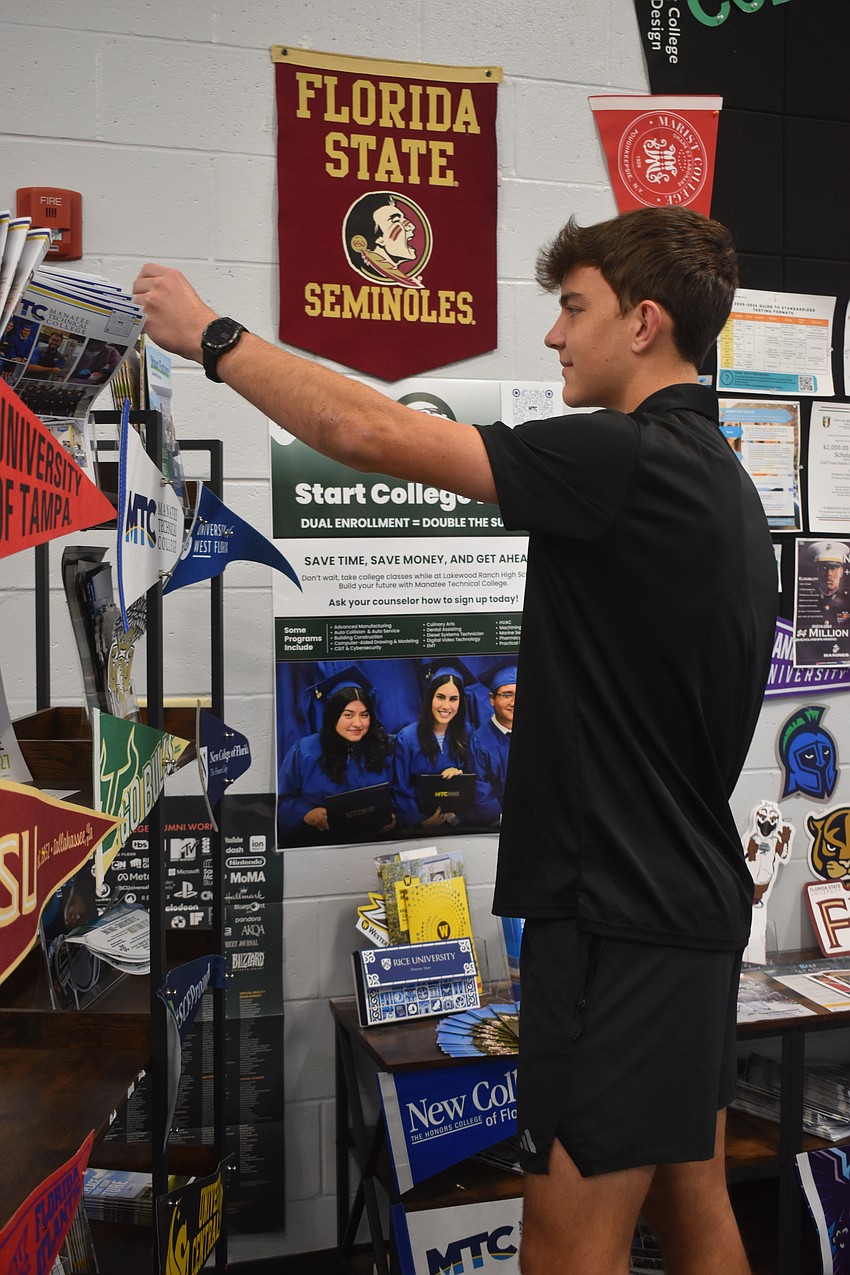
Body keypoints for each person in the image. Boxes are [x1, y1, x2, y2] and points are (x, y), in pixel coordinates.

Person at [133, 204, 777, 1275]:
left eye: (573, 308)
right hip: (688, 914)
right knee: (694, 1197)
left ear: (645, 323)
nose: (553, 336)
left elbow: (370, 434)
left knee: (562, 1253)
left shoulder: (625, 457)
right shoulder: (722, 481)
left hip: (615, 925)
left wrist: (212, 336)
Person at [278, 680, 395, 845]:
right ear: (333, 716)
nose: (358, 723)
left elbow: (398, 792)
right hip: (320, 843)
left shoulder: (383, 747)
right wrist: (305, 813)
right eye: (348, 715)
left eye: (364, 715)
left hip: (374, 841)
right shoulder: (305, 751)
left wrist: (392, 817)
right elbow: (283, 800)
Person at [392, 667, 470, 830]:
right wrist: (420, 822)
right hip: (420, 824)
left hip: (457, 823)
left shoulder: (467, 733)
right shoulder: (407, 738)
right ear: (430, 699)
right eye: (440, 697)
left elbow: (474, 778)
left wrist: (460, 775)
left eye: (453, 699)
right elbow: (401, 788)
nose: (446, 706)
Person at [469, 664, 516, 825]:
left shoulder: (535, 734)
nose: (514, 702)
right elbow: (481, 792)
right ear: (492, 699)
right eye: (507, 695)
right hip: (497, 826)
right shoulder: (478, 741)